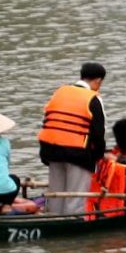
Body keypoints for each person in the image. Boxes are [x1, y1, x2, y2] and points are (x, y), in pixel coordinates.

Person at [36, 63, 107, 215]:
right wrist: (97, 157)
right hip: (78, 154)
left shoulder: (60, 92)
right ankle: (73, 222)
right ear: (98, 81)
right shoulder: (93, 99)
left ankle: (53, 219)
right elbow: (98, 133)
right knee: (76, 198)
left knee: (56, 195)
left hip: (51, 150)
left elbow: (48, 121)